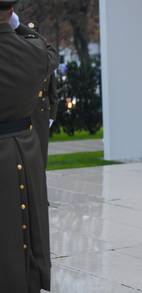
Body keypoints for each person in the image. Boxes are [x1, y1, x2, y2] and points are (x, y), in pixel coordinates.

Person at [0, 3, 58, 292]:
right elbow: (47, 49)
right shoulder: (36, 51)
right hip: (24, 146)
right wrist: (16, 24)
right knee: (23, 232)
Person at [21, 21, 58, 167]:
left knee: (41, 152)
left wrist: (52, 115)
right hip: (24, 109)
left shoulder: (45, 60)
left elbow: (52, 91)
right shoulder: (20, 58)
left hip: (42, 110)